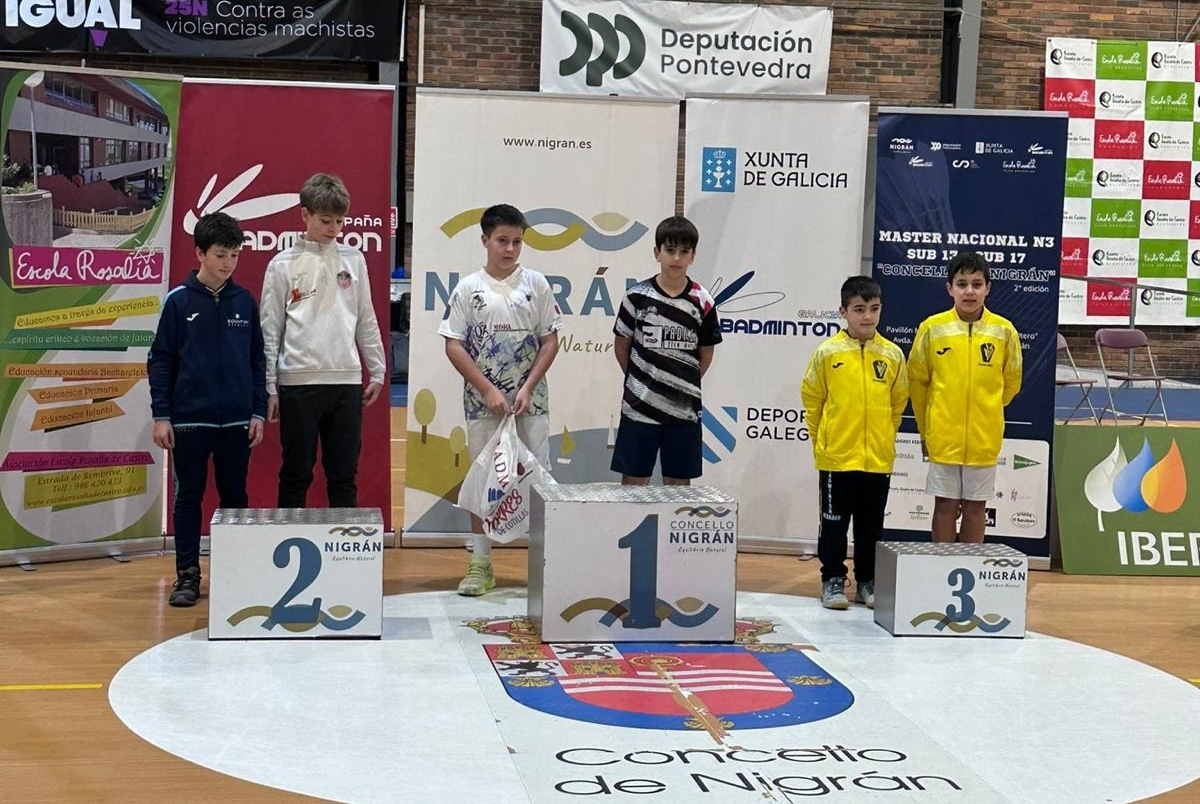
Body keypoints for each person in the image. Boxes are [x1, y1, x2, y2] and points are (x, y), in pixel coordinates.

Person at [440, 203, 562, 596]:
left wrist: (527, 387)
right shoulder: (468, 289)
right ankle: (480, 565)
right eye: (502, 241)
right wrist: (488, 390)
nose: (510, 249)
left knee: (537, 483)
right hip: (484, 406)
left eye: (517, 242)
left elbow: (550, 341)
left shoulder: (536, 285)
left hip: (530, 404)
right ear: (485, 240)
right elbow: (454, 345)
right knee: (483, 481)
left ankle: (543, 568)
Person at [148, 212, 266, 607]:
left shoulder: (244, 302)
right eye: (220, 255)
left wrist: (258, 411)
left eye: (234, 255)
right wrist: (162, 416)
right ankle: (187, 575)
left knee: (235, 497)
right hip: (189, 420)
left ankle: (235, 574)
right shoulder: (177, 302)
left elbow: (257, 360)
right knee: (188, 498)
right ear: (200, 252)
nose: (228, 263)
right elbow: (160, 361)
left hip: (236, 421)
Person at [260, 173, 387, 508]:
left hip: (346, 383)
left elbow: (366, 317)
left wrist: (377, 371)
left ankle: (344, 543)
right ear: (305, 214)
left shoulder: (354, 259)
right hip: (298, 383)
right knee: (295, 474)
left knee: (344, 476)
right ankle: (288, 538)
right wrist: (269, 385)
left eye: (340, 222)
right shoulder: (281, 265)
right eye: (326, 221)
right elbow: (270, 329)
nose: (334, 229)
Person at [801, 276, 908, 610]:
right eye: (859, 309)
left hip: (876, 459)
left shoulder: (892, 354)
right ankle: (832, 579)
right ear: (843, 312)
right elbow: (813, 401)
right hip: (837, 458)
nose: (867, 316)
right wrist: (824, 443)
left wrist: (883, 439)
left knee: (870, 526)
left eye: (874, 308)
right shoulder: (827, 353)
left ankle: (867, 582)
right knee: (833, 524)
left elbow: (897, 404)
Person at [908, 251, 1022, 544]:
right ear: (950, 288)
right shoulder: (932, 328)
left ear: (988, 288)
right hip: (943, 435)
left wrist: (987, 408)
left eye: (976, 284)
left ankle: (969, 566)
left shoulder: (1004, 330)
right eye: (962, 284)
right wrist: (927, 428)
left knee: (975, 507)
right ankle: (941, 566)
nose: (969, 291)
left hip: (983, 438)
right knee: (945, 504)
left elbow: (1011, 381)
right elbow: (918, 382)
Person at [611, 215, 721, 486]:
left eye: (684, 251)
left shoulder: (703, 301)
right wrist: (642, 380)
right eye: (670, 250)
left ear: (693, 256)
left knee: (679, 488)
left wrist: (680, 384)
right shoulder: (636, 296)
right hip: (639, 408)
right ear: (657, 253)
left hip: (684, 411)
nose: (677, 258)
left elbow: (706, 354)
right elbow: (621, 346)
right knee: (633, 486)